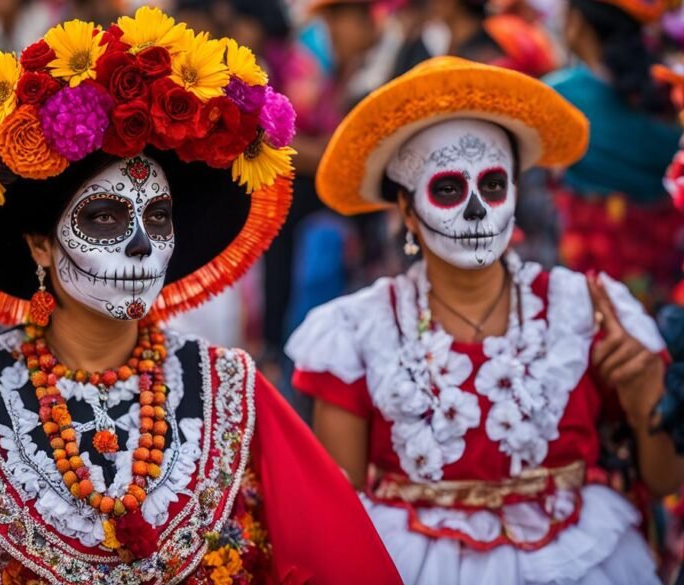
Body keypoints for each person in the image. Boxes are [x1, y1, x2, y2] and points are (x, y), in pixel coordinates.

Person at [0, 9, 402, 584]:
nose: (140, 248)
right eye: (103, 219)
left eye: (157, 220)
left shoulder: (233, 390)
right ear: (41, 246)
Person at [286, 56, 683, 584]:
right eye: (447, 189)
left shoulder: (588, 309)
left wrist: (644, 391)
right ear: (406, 210)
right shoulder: (358, 331)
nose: (476, 211)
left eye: (493, 186)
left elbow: (665, 479)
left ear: (516, 195)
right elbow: (341, 509)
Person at [547, 0, 683, 308]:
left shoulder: (559, 95)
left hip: (592, 261)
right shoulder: (668, 91)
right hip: (664, 265)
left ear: (577, 24)